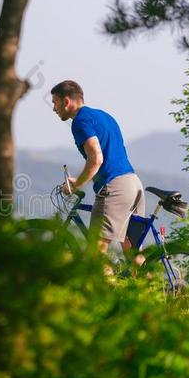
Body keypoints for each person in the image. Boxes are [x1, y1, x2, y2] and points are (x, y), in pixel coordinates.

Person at [50, 80, 145, 267]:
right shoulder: (104, 116)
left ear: (66, 101)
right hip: (133, 184)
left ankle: (105, 294)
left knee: (95, 253)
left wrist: (76, 184)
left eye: (55, 102)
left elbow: (96, 159)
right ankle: (157, 294)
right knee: (132, 252)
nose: (54, 108)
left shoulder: (80, 121)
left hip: (115, 186)